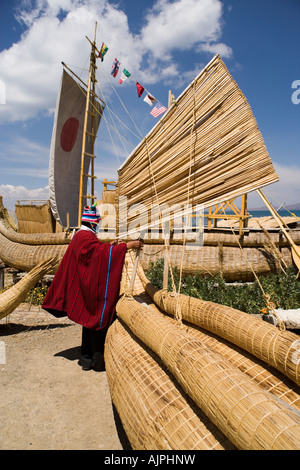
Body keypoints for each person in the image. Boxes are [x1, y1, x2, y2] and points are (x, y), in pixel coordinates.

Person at [42, 204, 143, 371]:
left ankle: (86, 360)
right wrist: (127, 246)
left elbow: (96, 252)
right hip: (89, 289)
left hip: (83, 287)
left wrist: (110, 246)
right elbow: (97, 254)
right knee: (97, 322)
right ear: (92, 224)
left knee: (87, 324)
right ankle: (97, 362)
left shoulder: (81, 236)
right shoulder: (85, 237)